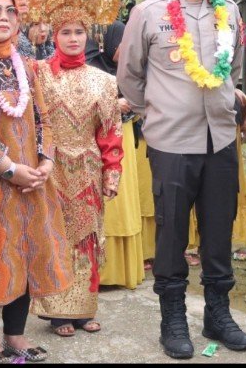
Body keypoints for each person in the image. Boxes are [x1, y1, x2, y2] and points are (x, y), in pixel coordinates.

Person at [117, 0, 246, 359]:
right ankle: (172, 318)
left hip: (221, 138)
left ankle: (218, 314)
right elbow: (129, 75)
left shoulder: (229, 10)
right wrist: (155, 113)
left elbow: (234, 70)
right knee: (172, 231)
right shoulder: (148, 13)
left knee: (219, 229)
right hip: (172, 141)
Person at [0, 0, 72, 363]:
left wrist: (46, 162)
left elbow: (43, 118)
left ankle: (16, 335)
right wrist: (7, 167)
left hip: (31, 181)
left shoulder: (23, 64)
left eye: (10, 10)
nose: (4, 17)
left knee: (26, 252)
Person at [27, 0, 123, 338]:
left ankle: (84, 309)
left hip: (88, 169)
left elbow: (111, 132)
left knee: (87, 237)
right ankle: (57, 312)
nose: (72, 39)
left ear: (88, 36)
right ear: (54, 34)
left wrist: (112, 172)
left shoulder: (104, 81)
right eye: (65, 32)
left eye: (78, 32)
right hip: (50, 168)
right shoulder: (37, 74)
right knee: (55, 236)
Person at [87, 21, 146, 290]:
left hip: (125, 137)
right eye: (124, 44)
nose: (128, 50)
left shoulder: (126, 71)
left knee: (125, 202)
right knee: (109, 207)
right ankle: (104, 271)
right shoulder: (91, 68)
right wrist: (113, 104)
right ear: (107, 43)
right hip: (100, 143)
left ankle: (123, 271)